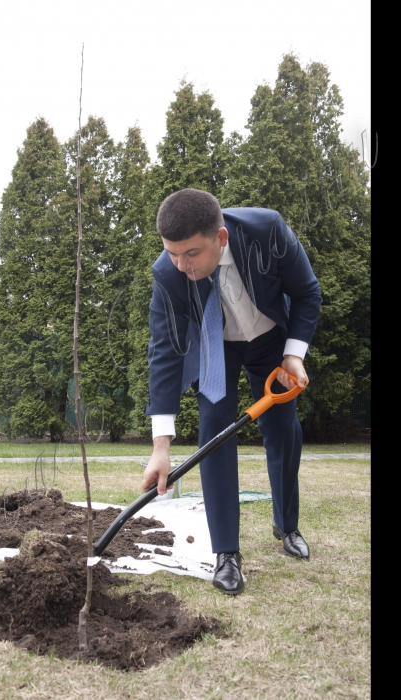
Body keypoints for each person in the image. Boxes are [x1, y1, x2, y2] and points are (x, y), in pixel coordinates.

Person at [141, 188, 322, 595]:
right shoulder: (168, 273)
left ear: (220, 238)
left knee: (283, 431)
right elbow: (165, 351)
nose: (180, 264)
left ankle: (286, 525)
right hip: (215, 344)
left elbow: (307, 293)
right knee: (215, 430)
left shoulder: (268, 231)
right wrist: (161, 445)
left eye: (191, 254)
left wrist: (294, 354)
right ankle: (226, 553)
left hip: (270, 339)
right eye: (171, 252)